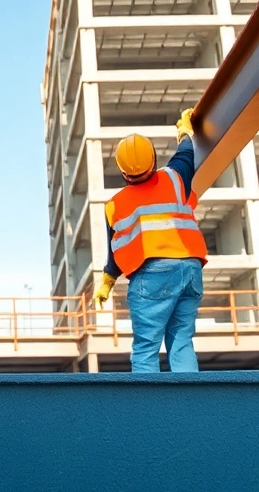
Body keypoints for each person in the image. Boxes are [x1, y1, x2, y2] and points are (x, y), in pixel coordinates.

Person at [94, 109, 208, 373]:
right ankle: (190, 406)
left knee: (146, 347)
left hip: (153, 275)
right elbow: (186, 152)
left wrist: (107, 282)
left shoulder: (115, 205)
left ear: (123, 173)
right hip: (190, 270)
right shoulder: (175, 177)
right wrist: (183, 130)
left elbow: (116, 251)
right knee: (181, 342)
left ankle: (149, 412)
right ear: (154, 161)